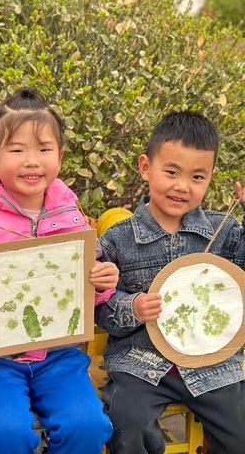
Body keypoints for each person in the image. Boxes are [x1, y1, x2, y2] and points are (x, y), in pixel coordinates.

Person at [0, 87, 116, 454]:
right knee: (7, 434)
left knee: (88, 425)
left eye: (44, 149)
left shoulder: (69, 213)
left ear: (60, 156)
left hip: (58, 354)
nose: (32, 161)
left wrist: (102, 280)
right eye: (17, 150)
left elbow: (90, 273)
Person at [96, 110, 245, 454]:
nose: (182, 186)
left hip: (215, 364)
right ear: (146, 167)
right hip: (141, 364)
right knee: (126, 426)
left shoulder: (225, 231)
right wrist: (131, 306)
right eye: (172, 172)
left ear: (210, 178)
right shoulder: (119, 239)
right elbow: (101, 302)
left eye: (197, 176)